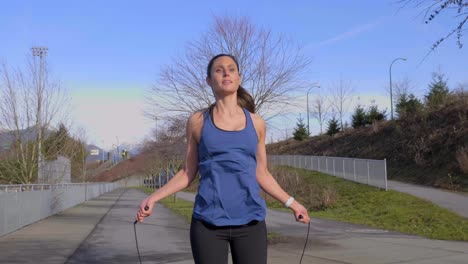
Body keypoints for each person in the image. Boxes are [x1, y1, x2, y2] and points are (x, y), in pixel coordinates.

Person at [136, 54, 310, 264]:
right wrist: (153, 197)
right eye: (218, 70)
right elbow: (187, 173)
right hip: (207, 224)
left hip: (250, 224)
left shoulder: (256, 123)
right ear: (209, 80)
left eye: (231, 69)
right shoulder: (197, 121)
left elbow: (261, 173)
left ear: (239, 78)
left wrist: (293, 203)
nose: (226, 72)